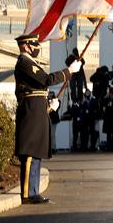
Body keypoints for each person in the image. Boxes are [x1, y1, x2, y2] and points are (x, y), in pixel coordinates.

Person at [14, 34, 80, 204]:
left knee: (36, 152)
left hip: (36, 110)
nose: (37, 47)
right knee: (29, 153)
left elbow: (39, 88)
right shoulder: (25, 63)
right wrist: (69, 71)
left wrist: (50, 105)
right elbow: (46, 80)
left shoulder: (31, 63)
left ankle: (33, 191)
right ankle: (28, 193)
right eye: (34, 44)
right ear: (26, 46)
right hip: (30, 113)